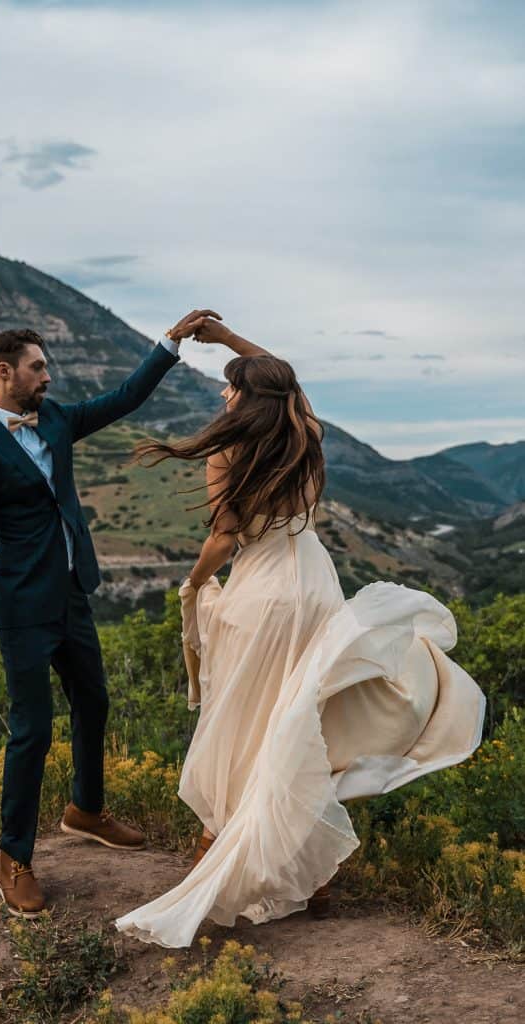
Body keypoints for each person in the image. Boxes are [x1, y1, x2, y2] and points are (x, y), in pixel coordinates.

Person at [115, 316, 486, 948]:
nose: (223, 397)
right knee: (297, 724)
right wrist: (232, 342)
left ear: (243, 398)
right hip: (315, 588)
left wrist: (193, 580)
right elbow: (288, 381)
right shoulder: (305, 433)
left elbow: (226, 537)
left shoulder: (228, 451)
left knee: (244, 723)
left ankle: (219, 850)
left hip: (260, 598)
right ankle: (310, 879)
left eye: (229, 388)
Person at [0, 311, 220, 918]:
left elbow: (123, 398)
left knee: (94, 701)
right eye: (38, 367)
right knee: (33, 730)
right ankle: (12, 858)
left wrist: (169, 343)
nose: (49, 375)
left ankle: (85, 810)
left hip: (72, 594)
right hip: (20, 608)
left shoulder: (58, 417)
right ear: (4, 371)